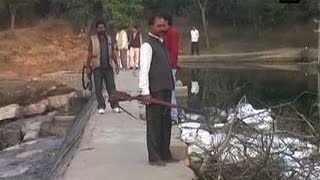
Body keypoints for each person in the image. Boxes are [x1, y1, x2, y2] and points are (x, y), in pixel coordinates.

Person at [139, 13, 176, 166]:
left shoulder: (162, 43)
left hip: (166, 89)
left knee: (166, 122)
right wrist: (145, 92)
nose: (162, 28)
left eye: (165, 25)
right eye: (159, 26)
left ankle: (164, 153)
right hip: (155, 91)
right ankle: (154, 157)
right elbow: (144, 70)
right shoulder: (148, 45)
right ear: (151, 26)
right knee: (154, 124)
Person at [87, 20, 122, 114]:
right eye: (99, 28)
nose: (101, 29)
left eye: (103, 27)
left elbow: (113, 52)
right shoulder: (92, 39)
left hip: (108, 67)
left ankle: (115, 105)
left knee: (111, 87)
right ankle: (101, 106)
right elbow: (89, 53)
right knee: (98, 88)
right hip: (97, 67)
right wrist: (88, 66)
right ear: (96, 29)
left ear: (105, 28)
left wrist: (117, 64)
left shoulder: (109, 39)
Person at [163, 13, 180, 123]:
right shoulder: (166, 33)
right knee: (167, 90)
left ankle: (174, 116)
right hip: (166, 65)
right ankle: (169, 114)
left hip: (169, 66)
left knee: (171, 91)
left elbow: (173, 50)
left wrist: (172, 65)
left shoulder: (172, 32)